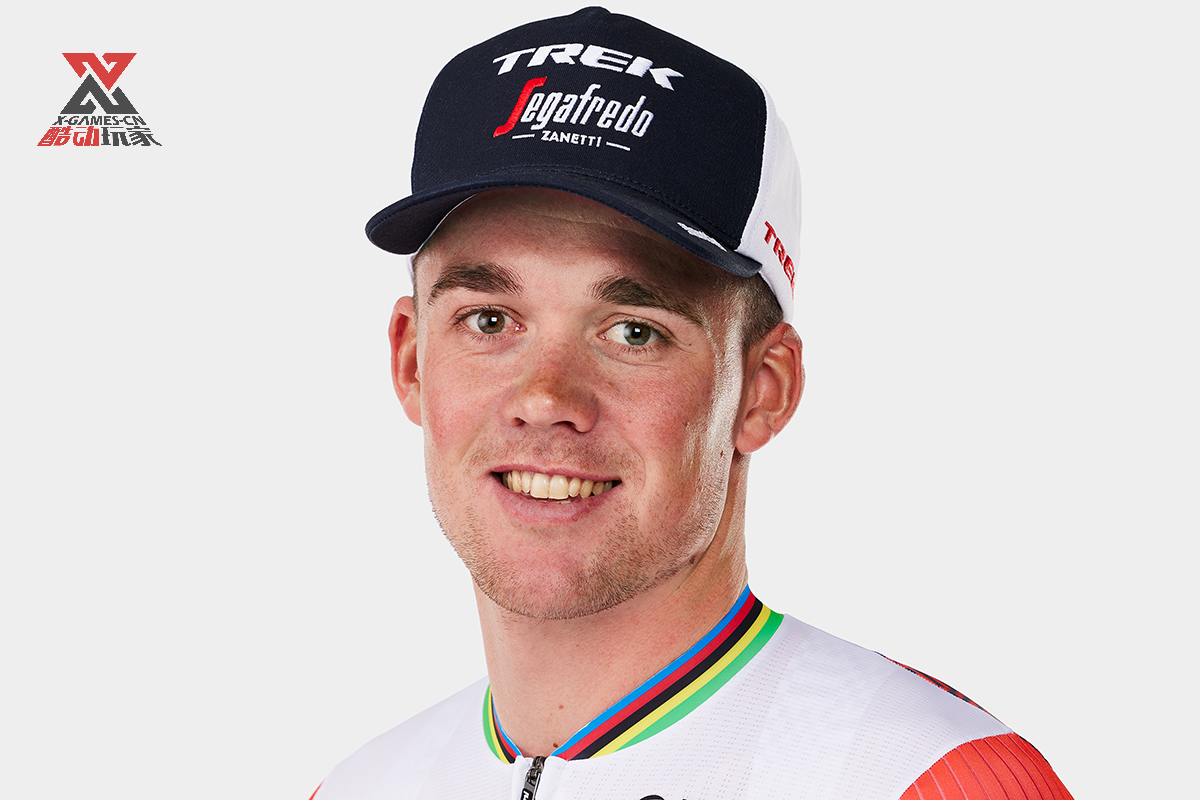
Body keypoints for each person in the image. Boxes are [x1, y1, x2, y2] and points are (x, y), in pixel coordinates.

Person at [313, 7, 1073, 799]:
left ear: (764, 390)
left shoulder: (922, 777)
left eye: (633, 331)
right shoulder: (358, 788)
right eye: (489, 321)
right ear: (411, 361)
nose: (545, 398)